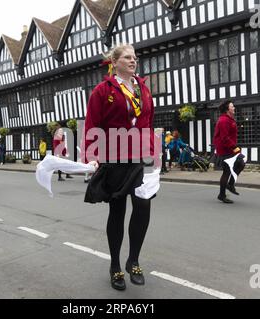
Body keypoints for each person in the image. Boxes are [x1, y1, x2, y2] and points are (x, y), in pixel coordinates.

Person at [82, 44, 157, 291]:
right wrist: (91, 156)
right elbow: (92, 124)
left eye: (135, 57)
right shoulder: (103, 91)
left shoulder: (143, 88)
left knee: (143, 205)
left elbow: (147, 122)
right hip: (115, 157)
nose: (133, 61)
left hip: (142, 157)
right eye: (127, 57)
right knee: (117, 210)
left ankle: (133, 259)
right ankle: (115, 265)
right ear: (114, 62)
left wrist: (154, 155)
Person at [213, 100, 245, 204]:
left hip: (229, 148)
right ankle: (222, 195)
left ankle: (230, 185)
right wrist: (235, 148)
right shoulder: (223, 120)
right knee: (227, 171)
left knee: (241, 163)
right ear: (228, 109)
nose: (234, 108)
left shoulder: (229, 119)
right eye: (232, 106)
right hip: (225, 150)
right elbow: (224, 138)